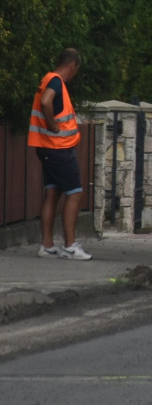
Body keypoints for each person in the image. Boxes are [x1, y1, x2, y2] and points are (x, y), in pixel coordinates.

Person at [28, 48, 92, 261]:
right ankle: (70, 246)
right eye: (76, 70)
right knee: (75, 194)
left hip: (46, 148)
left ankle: (47, 246)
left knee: (52, 193)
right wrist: (53, 125)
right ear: (72, 66)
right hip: (59, 149)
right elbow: (46, 101)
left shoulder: (47, 78)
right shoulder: (56, 82)